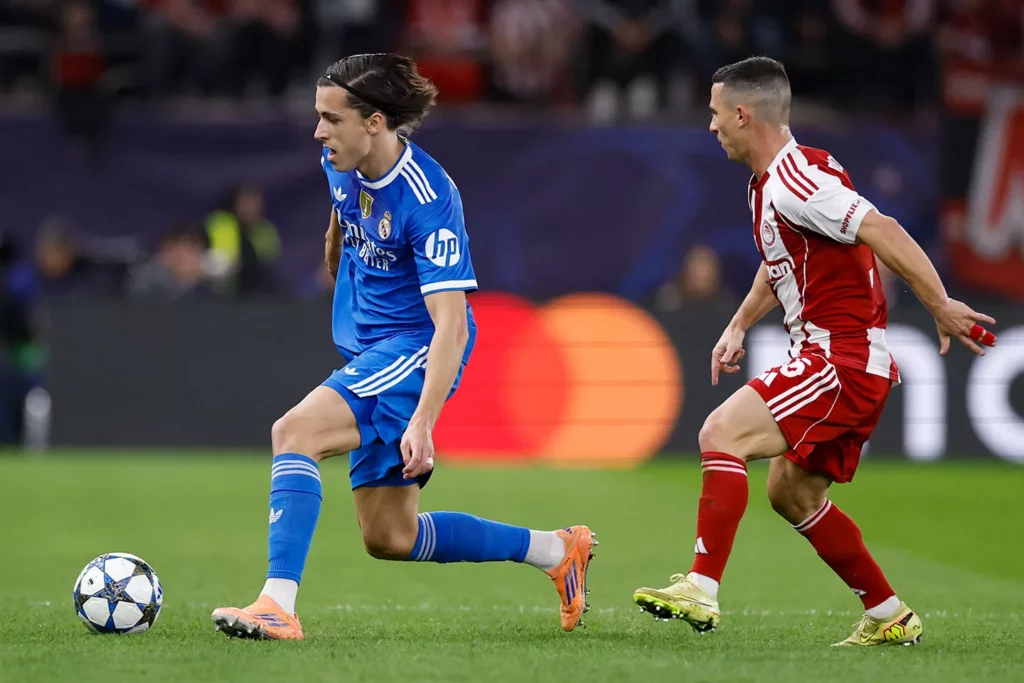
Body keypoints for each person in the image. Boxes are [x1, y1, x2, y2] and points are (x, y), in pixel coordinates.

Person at [211, 53, 595, 641]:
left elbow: (452, 327)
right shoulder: (338, 161)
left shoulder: (429, 198)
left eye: (331, 119)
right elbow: (344, 204)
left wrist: (423, 420)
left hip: (416, 348)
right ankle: (556, 550)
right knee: (390, 536)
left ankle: (276, 604)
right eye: (318, 116)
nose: (318, 132)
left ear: (374, 122)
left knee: (295, 432)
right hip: (372, 349)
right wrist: (335, 242)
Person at [631, 56, 997, 647]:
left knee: (720, 432)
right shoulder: (778, 181)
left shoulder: (797, 181)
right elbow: (780, 261)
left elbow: (884, 230)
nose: (711, 125)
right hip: (844, 360)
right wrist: (738, 324)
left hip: (840, 360)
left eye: (716, 113)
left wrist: (939, 303)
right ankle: (889, 614)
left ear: (743, 114)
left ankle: (700, 586)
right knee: (791, 493)